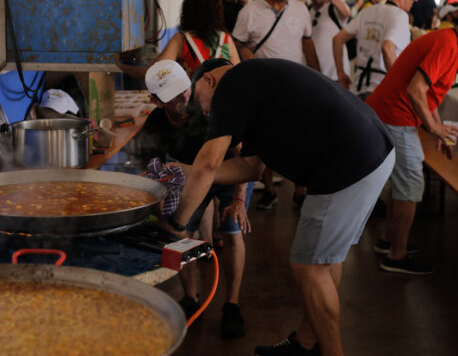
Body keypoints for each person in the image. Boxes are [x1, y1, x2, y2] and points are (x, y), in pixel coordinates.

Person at [162, 57, 394, 356]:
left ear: (208, 80)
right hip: (370, 150)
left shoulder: (232, 83)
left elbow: (209, 163)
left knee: (309, 268)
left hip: (349, 161)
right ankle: (305, 343)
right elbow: (251, 167)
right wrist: (186, 170)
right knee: (324, 261)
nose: (205, 112)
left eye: (200, 102)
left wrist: (178, 223)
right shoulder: (255, 86)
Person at [136, 59, 253, 338]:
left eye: (184, 90)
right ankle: (191, 297)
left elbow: (244, 155)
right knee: (179, 235)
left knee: (233, 232)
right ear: (156, 100)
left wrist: (238, 199)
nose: (184, 99)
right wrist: (158, 192)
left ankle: (232, 304)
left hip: (226, 173)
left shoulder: (210, 107)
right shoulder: (155, 123)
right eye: (174, 97)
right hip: (190, 178)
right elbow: (149, 165)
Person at [366, 12, 458, 275]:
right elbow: (416, 90)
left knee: (402, 181)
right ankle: (397, 255)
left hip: (391, 114)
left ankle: (389, 240)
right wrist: (433, 127)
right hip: (396, 116)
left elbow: (428, 96)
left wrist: (437, 130)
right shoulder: (445, 43)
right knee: (410, 184)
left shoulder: (450, 43)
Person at [232, 0, 319, 210]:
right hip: (264, 89)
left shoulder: (300, 10)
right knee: (265, 139)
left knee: (301, 139)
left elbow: (307, 43)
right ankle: (268, 189)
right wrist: (249, 56)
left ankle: (300, 191)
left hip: (297, 86)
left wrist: (319, 76)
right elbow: (237, 43)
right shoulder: (249, 12)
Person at [117, 0, 240, 79]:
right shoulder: (226, 40)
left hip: (192, 108)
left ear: (188, 9)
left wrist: (120, 67)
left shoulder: (182, 40)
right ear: (217, 10)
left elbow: (152, 73)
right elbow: (240, 76)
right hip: (222, 108)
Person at [333, 0, 420, 100]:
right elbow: (387, 48)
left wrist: (340, 73)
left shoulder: (368, 11)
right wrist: (398, 86)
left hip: (359, 87)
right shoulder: (400, 16)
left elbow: (337, 39)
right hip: (382, 90)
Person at [307, 0, 351, 81]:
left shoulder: (334, 8)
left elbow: (346, 13)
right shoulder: (307, 10)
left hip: (334, 75)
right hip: (313, 74)